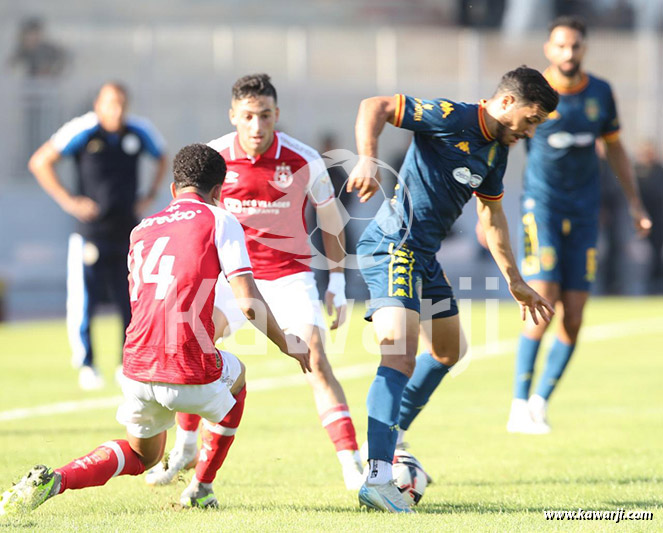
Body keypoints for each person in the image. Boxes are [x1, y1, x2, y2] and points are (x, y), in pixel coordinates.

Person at [0, 144, 311, 515]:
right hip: (186, 370)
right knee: (238, 377)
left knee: (140, 454)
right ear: (219, 191)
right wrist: (286, 343)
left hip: (135, 366)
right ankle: (202, 487)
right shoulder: (219, 219)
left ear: (173, 189)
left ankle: (55, 480)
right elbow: (247, 301)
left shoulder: (142, 229)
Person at [345, 66, 559, 512]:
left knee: (448, 351)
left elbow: (492, 218)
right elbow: (376, 106)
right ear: (506, 104)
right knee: (399, 355)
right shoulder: (450, 116)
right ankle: (378, 476)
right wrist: (367, 157)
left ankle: (393, 434)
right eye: (532, 119)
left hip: (423, 256)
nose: (531, 130)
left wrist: (516, 282)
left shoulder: (497, 155)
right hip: (393, 246)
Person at [145, 74, 365, 490]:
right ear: (233, 116)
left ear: (276, 115)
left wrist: (336, 282)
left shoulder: (302, 159)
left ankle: (352, 463)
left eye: (265, 116)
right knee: (196, 353)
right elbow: (190, 218)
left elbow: (330, 216)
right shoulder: (215, 157)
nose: (257, 126)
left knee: (315, 360)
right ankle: (186, 448)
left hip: (289, 275)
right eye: (247, 116)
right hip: (231, 278)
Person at [506, 17, 651, 434]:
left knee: (575, 315)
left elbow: (616, 147)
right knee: (544, 296)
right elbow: (502, 140)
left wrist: (634, 202)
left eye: (576, 46)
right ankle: (517, 403)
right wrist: (487, 207)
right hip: (542, 205)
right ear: (549, 50)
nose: (569, 53)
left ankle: (539, 402)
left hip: (585, 211)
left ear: (584, 49)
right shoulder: (534, 93)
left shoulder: (600, 93)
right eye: (561, 46)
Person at [28, 82, 168, 390]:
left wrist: (150, 195)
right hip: (91, 232)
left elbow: (162, 155)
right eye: (109, 104)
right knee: (85, 299)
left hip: (128, 232)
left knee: (129, 299)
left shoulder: (138, 131)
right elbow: (40, 161)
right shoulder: (82, 131)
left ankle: (125, 362)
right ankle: (87, 364)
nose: (115, 110)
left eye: (120, 104)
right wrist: (69, 201)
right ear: (98, 105)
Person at [634, 140, 663, 293]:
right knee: (640, 254)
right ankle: (638, 286)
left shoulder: (659, 170)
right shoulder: (635, 171)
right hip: (638, 219)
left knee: (656, 253)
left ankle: (656, 285)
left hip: (658, 220)